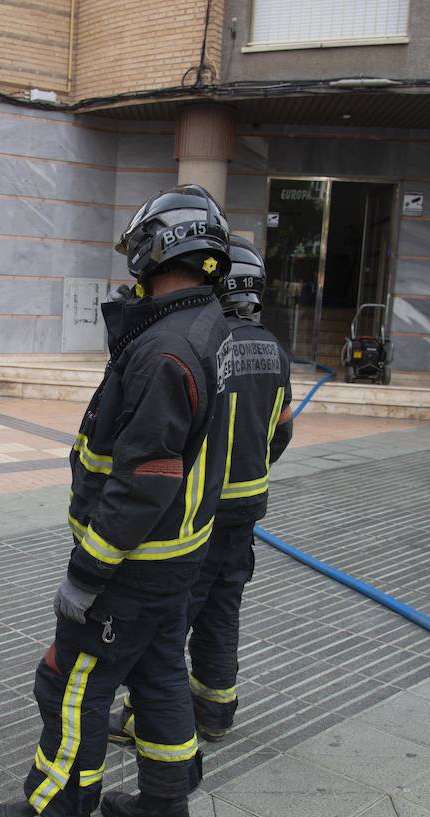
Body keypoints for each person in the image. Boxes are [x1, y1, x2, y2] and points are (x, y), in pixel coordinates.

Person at [0, 185, 232, 817]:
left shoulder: (164, 351)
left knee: (68, 682)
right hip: (176, 560)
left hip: (130, 565)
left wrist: (88, 571)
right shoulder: (207, 327)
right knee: (158, 676)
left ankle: (59, 806)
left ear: (160, 247)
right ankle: (165, 803)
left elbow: (143, 479)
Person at [108, 239, 292, 746]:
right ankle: (215, 709)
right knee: (223, 607)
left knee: (173, 616)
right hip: (247, 507)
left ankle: (142, 714)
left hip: (198, 509)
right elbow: (282, 430)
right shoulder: (274, 350)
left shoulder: (205, 344)